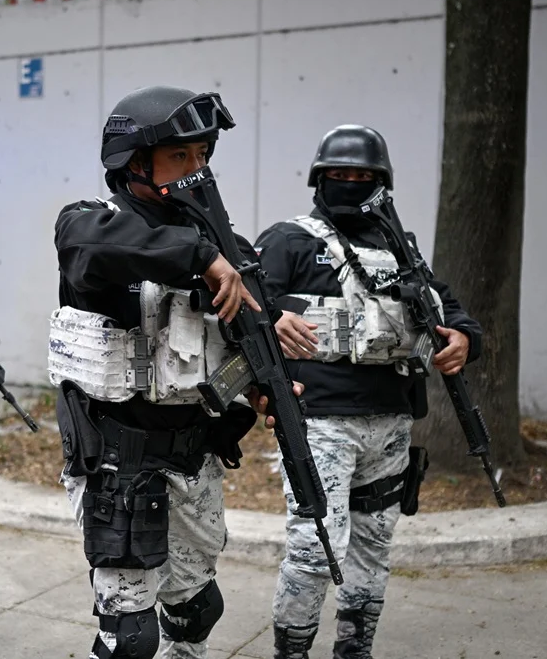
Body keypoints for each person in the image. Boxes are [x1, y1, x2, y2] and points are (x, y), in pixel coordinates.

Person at [50, 85, 302, 659]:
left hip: (193, 458)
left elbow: (248, 335)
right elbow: (93, 247)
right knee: (130, 638)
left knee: (196, 611)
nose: (197, 168)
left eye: (203, 154)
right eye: (180, 155)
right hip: (119, 462)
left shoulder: (226, 246)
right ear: (135, 161)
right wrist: (201, 257)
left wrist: (265, 383)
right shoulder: (92, 222)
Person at [255, 124, 483, 658]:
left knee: (374, 548)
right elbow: (244, 307)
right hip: (321, 421)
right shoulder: (289, 240)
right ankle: (292, 652)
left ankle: (355, 649)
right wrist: (271, 319)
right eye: (340, 174)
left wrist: (464, 339)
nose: (351, 183)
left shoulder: (400, 246)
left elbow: (448, 308)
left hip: (392, 421)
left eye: (363, 176)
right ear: (320, 180)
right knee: (315, 550)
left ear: (382, 183)